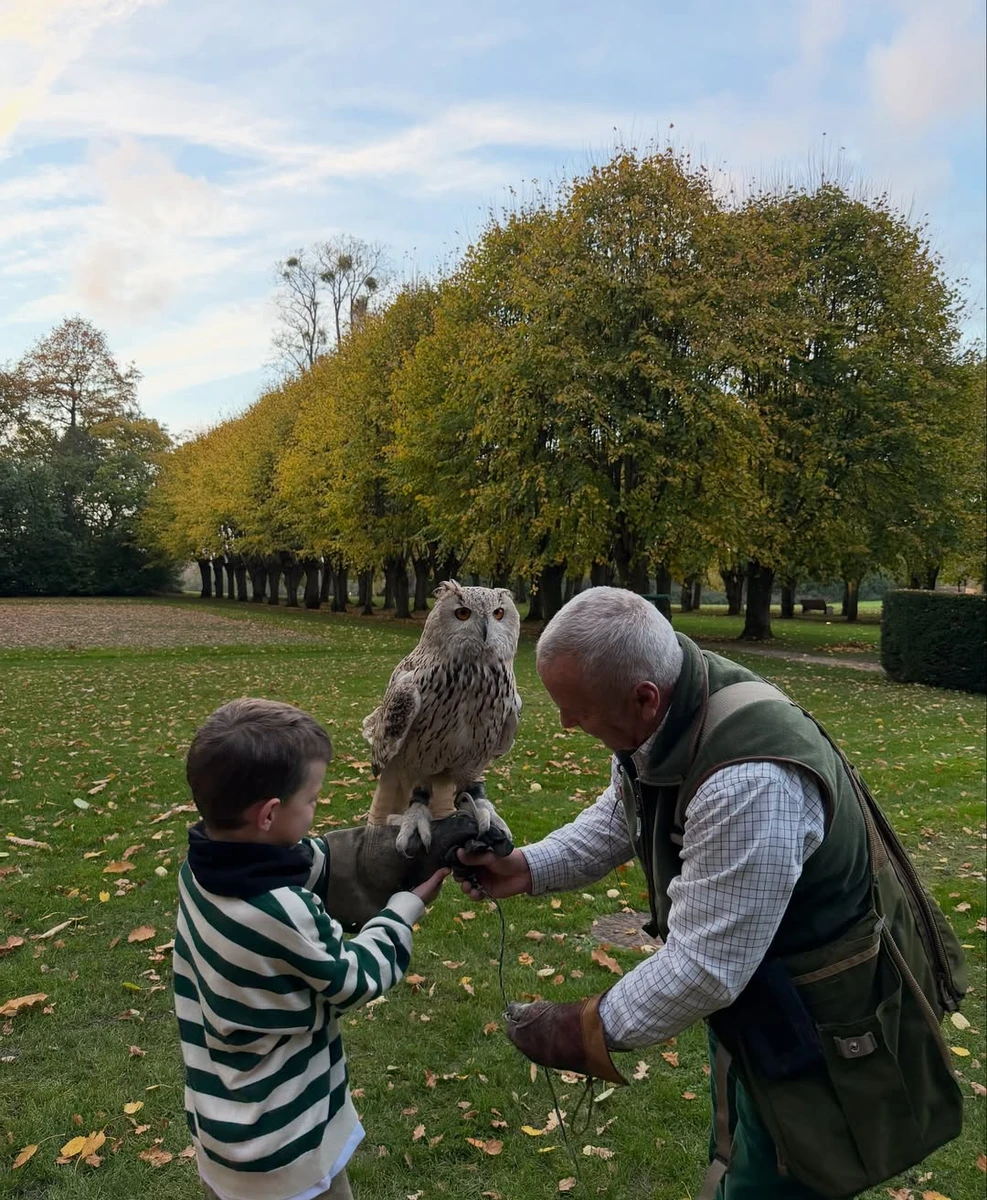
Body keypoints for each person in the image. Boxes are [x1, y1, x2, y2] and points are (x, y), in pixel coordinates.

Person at [457, 587, 966, 1200]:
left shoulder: (750, 784)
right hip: (767, 999)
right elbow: (626, 812)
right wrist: (525, 867)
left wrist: (582, 1029)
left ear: (644, 696)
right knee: (740, 1152)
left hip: (825, 1024)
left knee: (780, 1176)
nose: (566, 723)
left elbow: (705, 967)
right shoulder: (673, 705)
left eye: (577, 710)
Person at [174, 697, 455, 1200]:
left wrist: (373, 849)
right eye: (312, 800)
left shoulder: (201, 871)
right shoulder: (283, 913)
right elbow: (353, 978)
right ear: (269, 815)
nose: (317, 809)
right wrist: (404, 910)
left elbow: (298, 860)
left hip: (223, 1127)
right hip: (284, 1144)